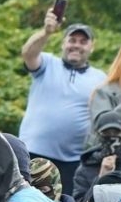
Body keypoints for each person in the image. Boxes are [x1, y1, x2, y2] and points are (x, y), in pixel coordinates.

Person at [19, 15, 106, 185]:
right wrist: (46, 32)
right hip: (32, 152)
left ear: (92, 47)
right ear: (63, 43)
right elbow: (28, 54)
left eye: (83, 42)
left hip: (73, 161)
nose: (76, 45)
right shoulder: (47, 63)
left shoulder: (100, 77)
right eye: (72, 40)